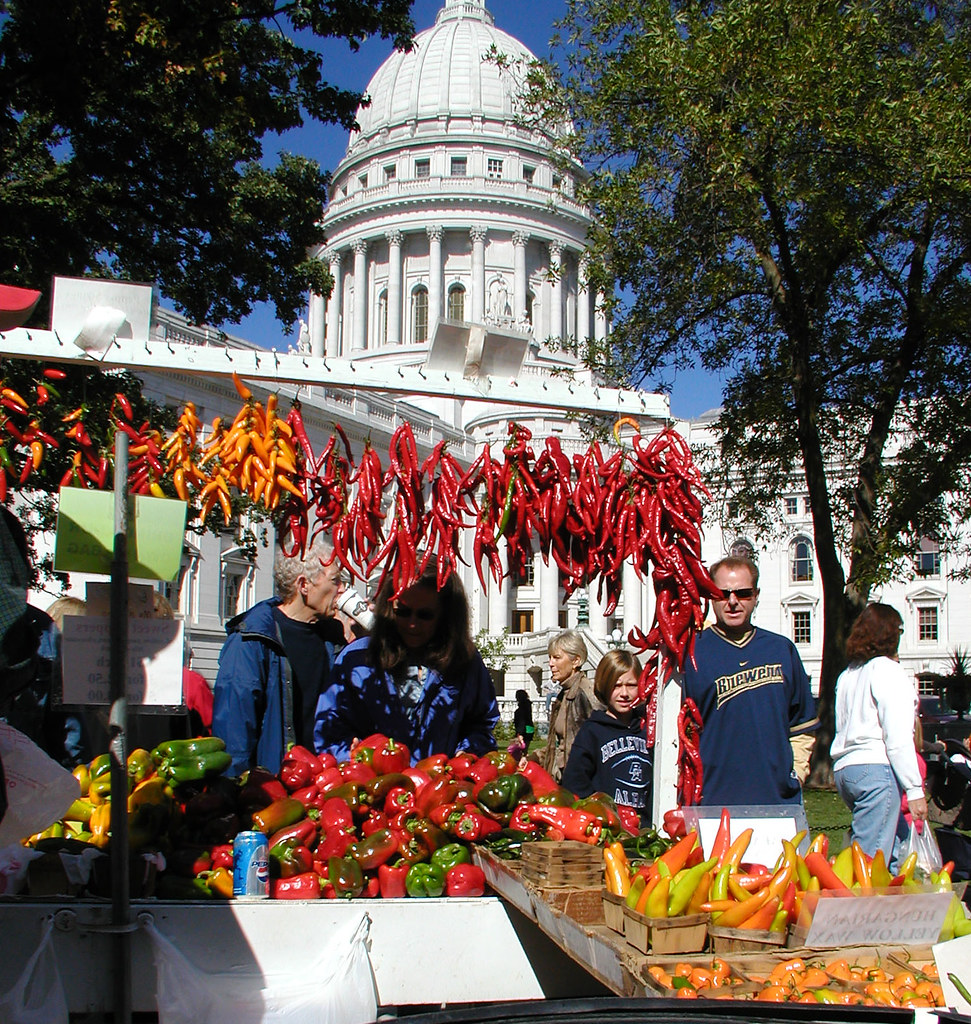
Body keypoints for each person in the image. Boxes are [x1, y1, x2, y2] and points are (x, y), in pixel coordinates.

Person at [314, 563, 499, 762]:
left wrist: (467, 753)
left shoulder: (464, 660)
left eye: (425, 615)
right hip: (371, 787)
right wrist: (352, 755)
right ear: (388, 608)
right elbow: (328, 732)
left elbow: (481, 723)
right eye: (402, 611)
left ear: (446, 615)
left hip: (439, 785)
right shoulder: (357, 659)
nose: (412, 623)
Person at [682, 556, 818, 806]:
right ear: (710, 597)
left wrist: (796, 775)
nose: (732, 602)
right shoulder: (691, 652)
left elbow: (802, 724)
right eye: (723, 594)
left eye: (743, 593)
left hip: (778, 800)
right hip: (713, 799)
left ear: (756, 596)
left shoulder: (781, 649)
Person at [212, 537, 345, 775]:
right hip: (273, 790)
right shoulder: (252, 640)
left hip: (324, 787)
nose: (342, 589)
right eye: (335, 580)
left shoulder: (333, 640)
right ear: (304, 585)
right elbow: (234, 733)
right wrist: (236, 793)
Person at [831, 603, 927, 870]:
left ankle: (899, 904)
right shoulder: (887, 670)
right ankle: (861, 910)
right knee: (870, 863)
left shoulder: (849, 674)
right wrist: (915, 788)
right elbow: (897, 736)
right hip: (876, 768)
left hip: (845, 768)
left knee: (893, 848)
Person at [561, 649, 652, 812]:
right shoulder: (592, 732)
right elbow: (574, 784)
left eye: (631, 685)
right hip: (608, 828)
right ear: (604, 686)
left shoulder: (648, 729)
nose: (624, 693)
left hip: (645, 829)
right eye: (616, 686)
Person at [541, 629, 596, 782]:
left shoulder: (585, 693)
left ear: (576, 661)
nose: (551, 663)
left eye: (557, 658)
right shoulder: (564, 693)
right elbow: (558, 746)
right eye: (550, 658)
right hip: (562, 780)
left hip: (578, 783)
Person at [511, 688, 535, 759]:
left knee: (521, 751)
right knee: (524, 749)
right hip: (529, 728)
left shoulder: (521, 709)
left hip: (524, 729)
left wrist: (520, 733)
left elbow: (522, 721)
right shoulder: (527, 706)